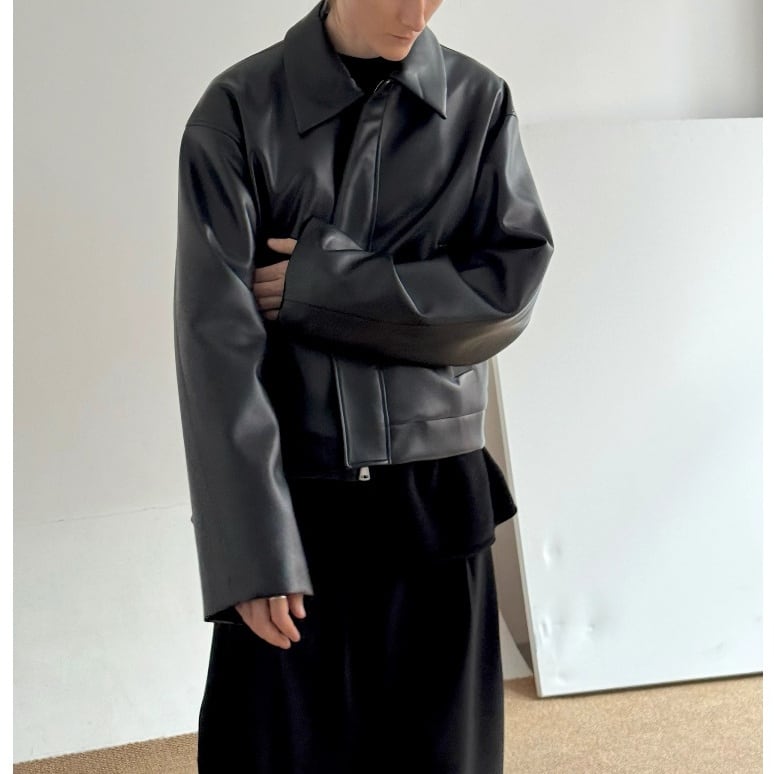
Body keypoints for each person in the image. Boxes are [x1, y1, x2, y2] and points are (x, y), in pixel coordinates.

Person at [173, 0, 554, 771]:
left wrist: (333, 288)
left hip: (437, 503)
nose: (418, 12)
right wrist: (253, 553)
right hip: (297, 503)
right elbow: (217, 349)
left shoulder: (478, 102)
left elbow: (507, 293)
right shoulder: (237, 112)